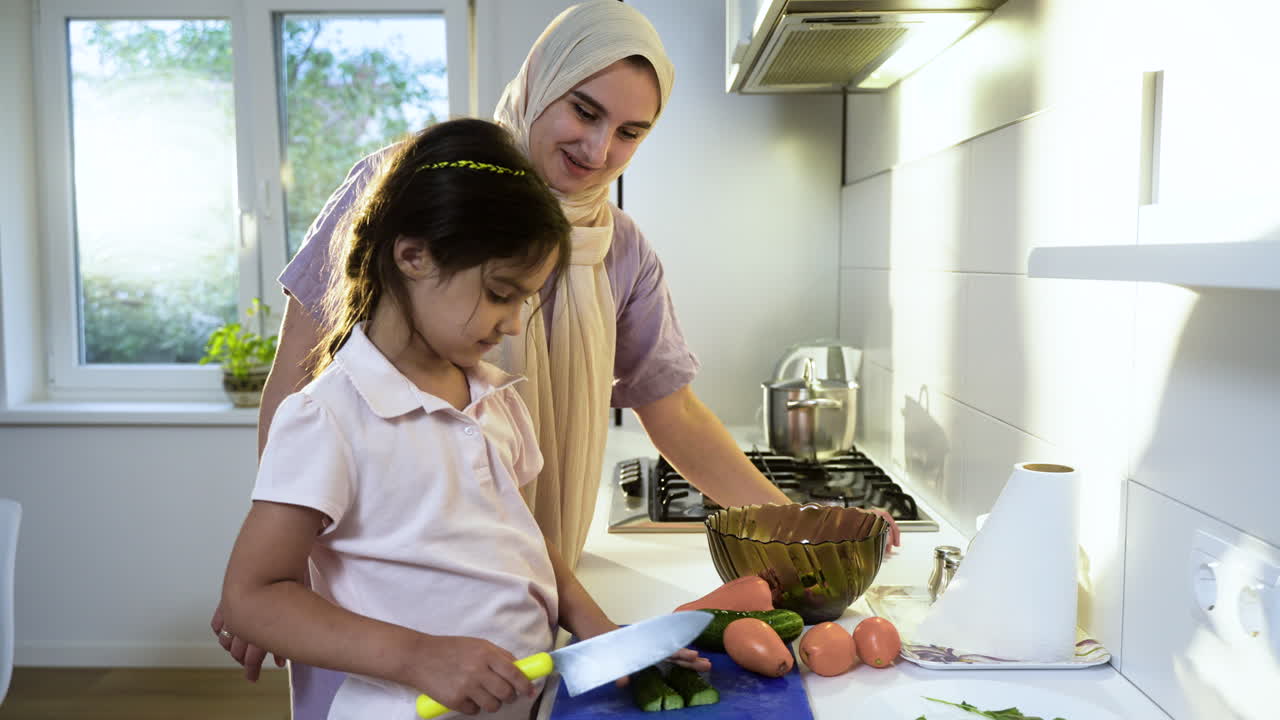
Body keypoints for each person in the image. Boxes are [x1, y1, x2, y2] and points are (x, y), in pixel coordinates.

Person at [213, 1, 897, 715]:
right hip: (375, 620)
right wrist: (271, 565)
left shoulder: (568, 309)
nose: (600, 150)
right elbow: (299, 381)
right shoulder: (408, 193)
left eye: (631, 133)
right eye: (584, 110)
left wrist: (798, 530)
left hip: (515, 633)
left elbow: (668, 417)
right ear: (542, 81)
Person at [219, 117, 707, 720]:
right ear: (413, 256)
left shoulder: (495, 400)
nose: (513, 324)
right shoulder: (327, 416)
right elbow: (251, 598)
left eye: (525, 300)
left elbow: (522, 543)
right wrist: (421, 657)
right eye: (502, 293)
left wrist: (601, 632)